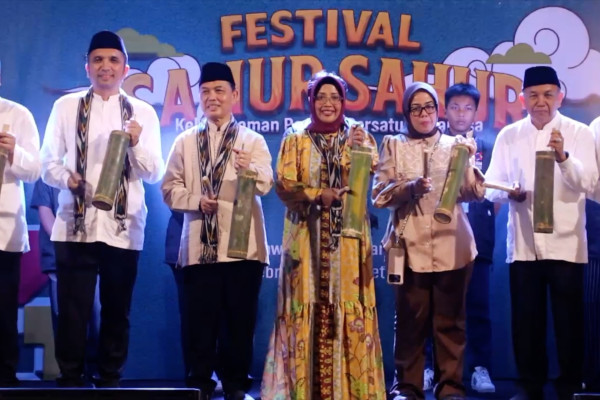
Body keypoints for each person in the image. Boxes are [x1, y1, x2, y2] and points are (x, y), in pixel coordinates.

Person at [40, 30, 164, 387]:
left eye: (113, 60)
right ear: (87, 67)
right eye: (97, 60)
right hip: (74, 223)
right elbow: (47, 164)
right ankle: (70, 377)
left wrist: (136, 144)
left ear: (125, 68)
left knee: (116, 309)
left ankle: (110, 379)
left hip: (123, 226)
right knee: (72, 310)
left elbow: (153, 173)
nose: (105, 66)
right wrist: (68, 179)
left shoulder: (142, 112)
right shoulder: (66, 107)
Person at [261, 71, 386, 400]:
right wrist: (318, 194)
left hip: (349, 240)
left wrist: (360, 154)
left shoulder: (357, 134)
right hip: (306, 237)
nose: (327, 103)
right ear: (311, 100)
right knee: (305, 302)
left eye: (334, 97)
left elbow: (371, 175)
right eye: (321, 97)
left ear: (344, 101)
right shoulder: (296, 136)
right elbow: (284, 184)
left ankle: (351, 391)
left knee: (349, 305)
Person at [485, 66, 597, 400]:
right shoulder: (509, 135)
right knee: (526, 321)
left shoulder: (579, 132)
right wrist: (510, 191)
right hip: (524, 244)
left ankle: (569, 386)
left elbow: (590, 183)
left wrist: (563, 157)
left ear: (559, 97)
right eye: (533, 95)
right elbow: (490, 186)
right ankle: (529, 386)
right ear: (522, 99)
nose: (541, 102)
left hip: (567, 243)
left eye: (548, 94)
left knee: (569, 322)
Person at [162, 61, 272, 400]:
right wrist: (196, 201)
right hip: (198, 246)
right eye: (206, 91)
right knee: (198, 323)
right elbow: (169, 188)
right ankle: (200, 385)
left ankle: (236, 385)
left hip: (242, 247)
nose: (212, 97)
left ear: (234, 95)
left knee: (239, 322)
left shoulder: (252, 140)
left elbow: (267, 184)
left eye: (220, 91)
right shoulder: (184, 141)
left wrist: (248, 169)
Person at [373, 81, 484, 400]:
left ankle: (450, 387)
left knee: (450, 322)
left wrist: (469, 163)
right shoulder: (394, 144)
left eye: (429, 107)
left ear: (438, 111)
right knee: (410, 321)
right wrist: (410, 188)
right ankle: (408, 386)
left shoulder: (455, 145)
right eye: (416, 108)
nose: (424, 114)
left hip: (453, 245)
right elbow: (379, 196)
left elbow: (472, 193)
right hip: (408, 247)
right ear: (406, 113)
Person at [443, 83, 496, 393]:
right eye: (455, 107)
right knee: (439, 306)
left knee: (478, 306)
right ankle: (431, 367)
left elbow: (495, 192)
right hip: (441, 235)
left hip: (478, 236)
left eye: (467, 108)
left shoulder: (488, 145)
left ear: (476, 113)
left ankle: (479, 368)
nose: (461, 114)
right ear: (445, 110)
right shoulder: (436, 144)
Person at [30, 178, 101, 379]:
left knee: (96, 316)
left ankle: (95, 369)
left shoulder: (93, 169)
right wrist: (65, 242)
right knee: (64, 316)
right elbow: (45, 212)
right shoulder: (47, 174)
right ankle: (70, 371)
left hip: (92, 255)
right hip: (59, 258)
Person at [0, 94, 41, 387]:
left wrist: (15, 151)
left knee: (3, 309)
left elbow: (35, 170)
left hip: (4, 231)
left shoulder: (17, 113)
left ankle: (4, 375)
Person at [583, 116, 600, 392]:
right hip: (596, 231)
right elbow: (588, 181)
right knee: (592, 308)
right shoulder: (596, 127)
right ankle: (593, 377)